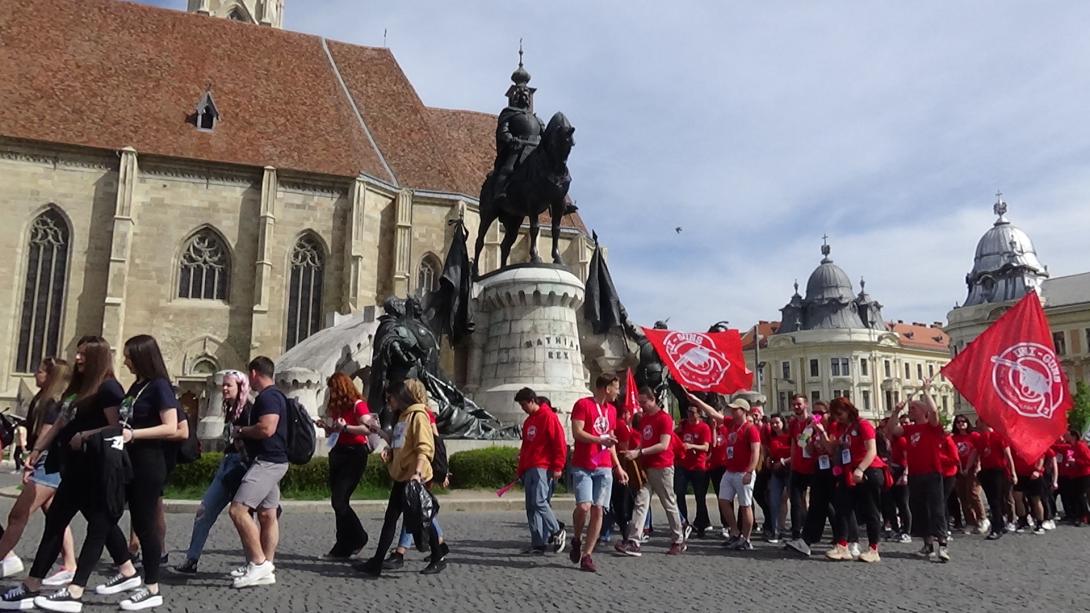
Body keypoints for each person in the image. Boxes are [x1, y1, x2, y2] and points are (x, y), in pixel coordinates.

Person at [1, 336, 137, 612]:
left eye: (83, 354)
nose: (77, 359)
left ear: (97, 357)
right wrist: (36, 451)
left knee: (98, 526)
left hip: (97, 469)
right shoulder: (77, 389)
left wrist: (85, 435)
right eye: (77, 354)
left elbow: (118, 428)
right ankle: (34, 584)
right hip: (73, 470)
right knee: (61, 525)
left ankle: (70, 587)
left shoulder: (109, 388)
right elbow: (59, 424)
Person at [355, 379, 446, 577]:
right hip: (401, 476)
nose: (389, 402)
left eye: (390, 398)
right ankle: (378, 561)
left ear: (400, 397)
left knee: (422, 518)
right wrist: (379, 434)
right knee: (394, 519)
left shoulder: (419, 416)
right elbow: (398, 442)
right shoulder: (403, 416)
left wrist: (417, 474)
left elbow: (425, 447)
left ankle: (437, 556)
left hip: (413, 477)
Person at [0, 358, 77, 585]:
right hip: (46, 464)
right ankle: (70, 564)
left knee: (17, 515)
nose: (35, 374)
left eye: (41, 371)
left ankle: (6, 557)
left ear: (51, 376)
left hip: (46, 464)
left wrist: (30, 463)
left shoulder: (53, 404)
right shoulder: (44, 400)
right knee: (56, 517)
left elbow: (45, 437)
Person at [173, 370, 253, 574]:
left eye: (229, 385)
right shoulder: (231, 409)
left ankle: (254, 563)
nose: (224, 389)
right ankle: (192, 559)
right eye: (223, 385)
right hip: (227, 464)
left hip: (241, 467)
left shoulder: (248, 410)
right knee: (204, 511)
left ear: (241, 387)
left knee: (244, 518)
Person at [228, 356, 290, 588]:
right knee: (267, 514)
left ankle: (258, 562)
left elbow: (267, 428)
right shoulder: (274, 395)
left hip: (268, 462)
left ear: (254, 373)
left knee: (238, 510)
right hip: (271, 461)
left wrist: (241, 431)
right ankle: (267, 567)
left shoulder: (269, 397)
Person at [567, 373, 628, 573]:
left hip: (603, 467)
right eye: (616, 388)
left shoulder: (611, 411)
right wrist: (599, 440)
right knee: (584, 507)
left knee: (598, 510)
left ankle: (587, 555)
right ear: (606, 388)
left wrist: (617, 466)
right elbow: (578, 432)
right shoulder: (583, 405)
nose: (618, 392)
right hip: (584, 465)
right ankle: (576, 538)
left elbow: (609, 441)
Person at [687, 393, 761, 551]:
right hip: (730, 470)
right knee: (723, 501)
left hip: (743, 472)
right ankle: (734, 532)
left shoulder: (750, 429)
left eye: (736, 409)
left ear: (744, 411)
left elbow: (756, 452)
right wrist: (696, 401)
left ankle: (746, 538)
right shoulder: (731, 424)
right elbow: (713, 413)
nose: (732, 411)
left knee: (745, 506)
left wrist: (750, 471)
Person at [615, 388, 685, 556]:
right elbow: (643, 442)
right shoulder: (645, 419)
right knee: (641, 502)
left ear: (653, 400)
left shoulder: (664, 419)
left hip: (663, 467)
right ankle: (634, 540)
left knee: (669, 503)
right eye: (640, 402)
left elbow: (664, 444)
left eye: (644, 402)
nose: (641, 406)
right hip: (647, 468)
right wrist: (636, 451)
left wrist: (640, 452)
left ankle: (678, 539)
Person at [317, 372, 375, 559]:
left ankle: (359, 537)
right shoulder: (339, 409)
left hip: (354, 454)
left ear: (341, 388)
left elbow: (368, 428)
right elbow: (337, 432)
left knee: (339, 500)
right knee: (339, 502)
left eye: (333, 389)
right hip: (338, 452)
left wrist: (345, 428)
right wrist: (328, 428)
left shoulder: (358, 405)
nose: (331, 393)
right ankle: (343, 544)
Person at [887, 390, 949, 563]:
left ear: (923, 411)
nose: (910, 410)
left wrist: (926, 391)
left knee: (936, 509)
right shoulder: (909, 428)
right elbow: (893, 429)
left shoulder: (932, 427)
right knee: (920, 510)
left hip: (932, 473)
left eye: (913, 408)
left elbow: (935, 412)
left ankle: (942, 545)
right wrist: (895, 413)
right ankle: (928, 544)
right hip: (915, 474)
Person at [826, 396, 885, 563]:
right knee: (843, 506)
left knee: (871, 510)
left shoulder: (863, 424)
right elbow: (831, 447)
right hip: (850, 472)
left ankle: (874, 549)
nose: (838, 417)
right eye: (835, 414)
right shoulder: (845, 428)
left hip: (868, 471)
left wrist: (860, 469)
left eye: (840, 413)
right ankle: (842, 545)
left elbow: (871, 450)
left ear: (848, 410)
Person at [513, 388, 567, 554]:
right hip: (529, 467)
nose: (523, 408)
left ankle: (557, 530)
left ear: (532, 401)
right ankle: (538, 543)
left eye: (523, 404)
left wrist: (558, 466)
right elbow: (526, 447)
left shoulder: (548, 417)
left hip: (542, 467)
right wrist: (521, 468)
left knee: (539, 502)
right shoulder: (529, 421)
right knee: (531, 507)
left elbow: (559, 442)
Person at [674, 403, 711, 538]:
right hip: (683, 464)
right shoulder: (684, 425)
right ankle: (683, 522)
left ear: (698, 414)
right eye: (688, 411)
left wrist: (691, 446)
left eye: (692, 412)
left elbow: (706, 447)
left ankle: (701, 524)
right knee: (679, 492)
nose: (689, 414)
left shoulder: (704, 427)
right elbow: (674, 434)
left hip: (698, 465)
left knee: (699, 496)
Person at [975, 419, 1016, 540]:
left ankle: (996, 527)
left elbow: (1008, 455)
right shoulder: (981, 438)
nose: (977, 424)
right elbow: (976, 453)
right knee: (992, 500)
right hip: (987, 471)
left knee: (996, 500)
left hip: (998, 471)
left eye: (979, 422)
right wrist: (973, 466)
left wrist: (1013, 472)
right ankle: (1000, 524)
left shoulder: (999, 436)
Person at [951, 415, 987, 535]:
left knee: (973, 493)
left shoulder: (974, 436)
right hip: (959, 470)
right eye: (958, 422)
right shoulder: (953, 438)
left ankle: (982, 519)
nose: (961, 424)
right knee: (963, 496)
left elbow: (979, 451)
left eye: (963, 421)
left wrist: (978, 465)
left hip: (972, 468)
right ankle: (970, 521)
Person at [765, 414, 791, 543]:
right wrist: (769, 459)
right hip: (776, 471)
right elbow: (770, 452)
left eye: (777, 422)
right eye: (772, 423)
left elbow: (795, 452)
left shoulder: (790, 436)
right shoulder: (772, 438)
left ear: (783, 422)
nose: (774, 425)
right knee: (774, 500)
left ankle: (797, 528)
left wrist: (784, 461)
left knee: (794, 501)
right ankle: (776, 530)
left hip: (790, 470)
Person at [1056, 430, 1090, 525]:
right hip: (1075, 475)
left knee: (1081, 496)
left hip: (1083, 475)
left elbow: (1088, 460)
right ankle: (1079, 515)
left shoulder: (1080, 446)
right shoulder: (1072, 446)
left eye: (1067, 435)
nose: (1065, 436)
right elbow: (1060, 449)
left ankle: (1085, 517)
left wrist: (1076, 462)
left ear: (1073, 436)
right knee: (1076, 496)